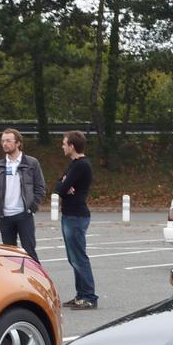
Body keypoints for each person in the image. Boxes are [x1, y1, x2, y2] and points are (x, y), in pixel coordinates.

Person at [0, 129, 45, 262]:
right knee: (10, 254)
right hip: (5, 216)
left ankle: (36, 275)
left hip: (24, 215)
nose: (4, 144)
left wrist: (32, 206)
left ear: (18, 143)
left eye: (8, 141)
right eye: (3, 141)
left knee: (29, 252)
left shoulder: (31, 163)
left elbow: (40, 188)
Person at [55, 131, 97, 310]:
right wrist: (64, 184)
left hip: (76, 216)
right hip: (69, 215)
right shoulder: (74, 164)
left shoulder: (81, 165)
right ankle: (80, 295)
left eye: (64, 144)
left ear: (72, 146)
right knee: (73, 258)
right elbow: (59, 185)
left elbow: (61, 188)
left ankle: (89, 296)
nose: (62, 146)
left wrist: (65, 185)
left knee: (79, 258)